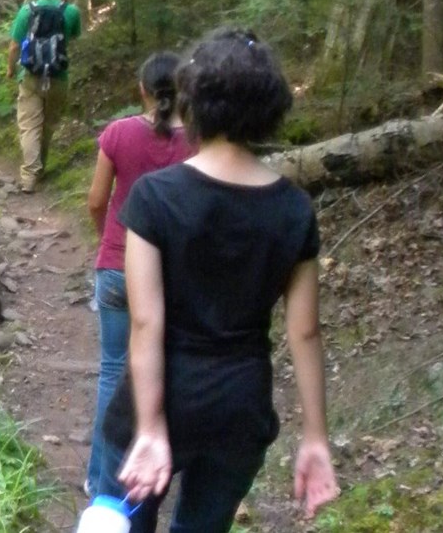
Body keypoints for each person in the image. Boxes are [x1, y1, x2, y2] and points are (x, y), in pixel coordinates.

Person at [96, 28, 339, 532]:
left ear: (191, 102)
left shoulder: (154, 197)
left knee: (117, 522)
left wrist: (150, 426)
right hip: (239, 407)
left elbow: (146, 323)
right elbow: (305, 333)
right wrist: (315, 437)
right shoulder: (294, 209)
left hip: (161, 395)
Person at [83, 51, 194, 497]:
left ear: (142, 90)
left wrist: (106, 239)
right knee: (167, 367)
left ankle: (101, 477)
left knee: (113, 371)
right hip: (172, 273)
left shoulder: (118, 133)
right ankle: (163, 467)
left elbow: (96, 200)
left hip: (116, 264)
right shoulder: (200, 144)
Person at [6, 0, 81, 192]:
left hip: (31, 75)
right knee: (48, 126)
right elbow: (73, 38)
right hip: (58, 76)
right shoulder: (71, 11)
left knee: (29, 126)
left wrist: (11, 69)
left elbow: (13, 46)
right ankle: (40, 168)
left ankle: (29, 176)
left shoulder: (27, 11)